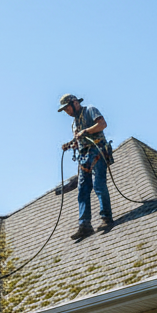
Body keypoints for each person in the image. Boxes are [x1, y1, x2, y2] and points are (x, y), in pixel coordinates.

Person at [59, 94, 113, 240]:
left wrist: (86, 131)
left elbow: (102, 124)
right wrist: (71, 145)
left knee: (99, 185)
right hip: (84, 157)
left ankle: (106, 218)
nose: (67, 112)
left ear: (75, 103)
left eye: (67, 108)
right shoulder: (74, 124)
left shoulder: (90, 110)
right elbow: (79, 141)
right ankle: (85, 226)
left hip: (97, 152)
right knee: (82, 191)